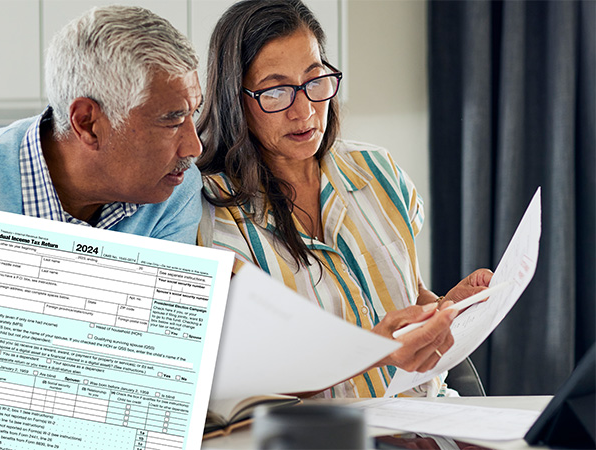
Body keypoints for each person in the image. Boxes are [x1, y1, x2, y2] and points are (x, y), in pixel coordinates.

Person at [196, 0, 493, 397]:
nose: (304, 111)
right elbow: (240, 380)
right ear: (236, 98)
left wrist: (444, 308)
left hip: (430, 419)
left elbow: (408, 289)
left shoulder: (378, 170)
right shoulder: (212, 216)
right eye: (276, 91)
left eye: (315, 81)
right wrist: (372, 352)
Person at [0, 5, 203, 244]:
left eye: (193, 113)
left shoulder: (175, 190)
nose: (195, 147)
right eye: (173, 122)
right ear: (88, 124)